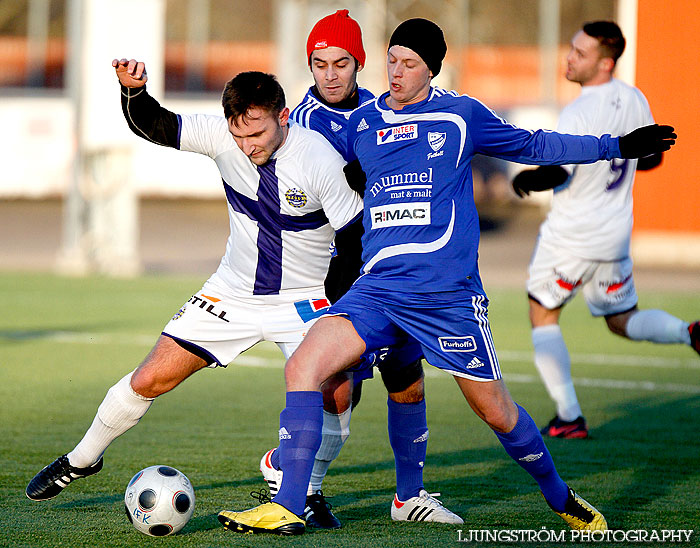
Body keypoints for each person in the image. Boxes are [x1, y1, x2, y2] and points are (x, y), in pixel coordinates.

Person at [217, 18, 676, 536]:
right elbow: (317, 166)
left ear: (432, 68)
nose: (396, 71)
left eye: (409, 63)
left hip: (445, 296)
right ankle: (290, 505)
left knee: (496, 410)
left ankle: (562, 497)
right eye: (391, 59)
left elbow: (536, 145)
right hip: (378, 288)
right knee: (304, 366)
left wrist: (615, 146)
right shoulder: (364, 121)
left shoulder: (460, 115)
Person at [25, 62, 366, 507]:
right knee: (149, 378)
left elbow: (354, 239)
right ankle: (82, 459)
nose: (246, 146)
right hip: (232, 292)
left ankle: (307, 487)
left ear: (284, 117)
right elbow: (156, 124)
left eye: (257, 134)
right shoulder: (225, 136)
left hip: (305, 299)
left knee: (340, 392)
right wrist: (134, 91)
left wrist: (337, 315)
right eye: (238, 135)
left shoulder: (319, 159)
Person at [260, 9, 462, 526]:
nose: (330, 74)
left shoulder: (381, 110)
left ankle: (407, 496)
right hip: (327, 272)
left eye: (341, 63)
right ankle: (292, 475)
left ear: (359, 63)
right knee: (338, 391)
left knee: (406, 379)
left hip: (383, 269)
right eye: (320, 63)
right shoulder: (297, 122)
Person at [511, 21, 699, 439]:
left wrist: (527, 179)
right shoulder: (634, 98)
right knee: (620, 318)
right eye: (572, 49)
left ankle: (569, 417)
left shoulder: (579, 111)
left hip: (573, 235)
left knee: (542, 313)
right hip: (614, 236)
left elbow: (559, 169)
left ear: (605, 62)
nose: (570, 57)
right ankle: (688, 332)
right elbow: (651, 158)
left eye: (580, 53)